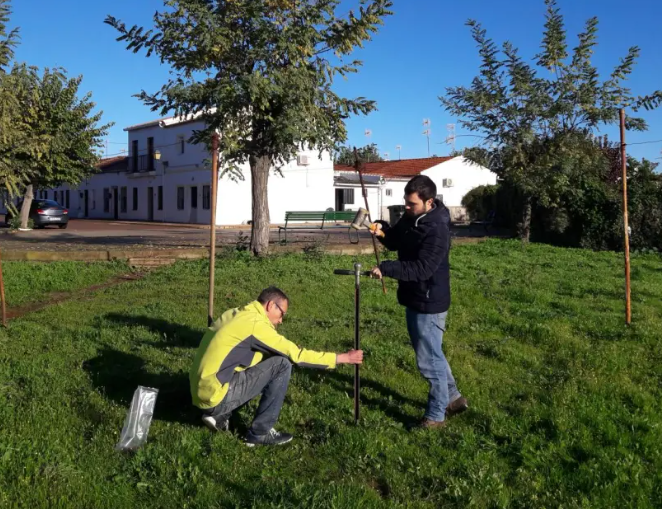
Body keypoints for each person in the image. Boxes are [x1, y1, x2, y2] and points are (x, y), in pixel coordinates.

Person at [190, 286, 363, 446]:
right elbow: (297, 355)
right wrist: (343, 358)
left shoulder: (235, 313)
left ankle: (220, 415)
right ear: (271, 305)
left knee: (267, 360)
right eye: (282, 314)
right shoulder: (256, 326)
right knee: (282, 364)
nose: (281, 321)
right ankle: (259, 433)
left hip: (200, 389)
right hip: (214, 396)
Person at [370, 175, 467, 429]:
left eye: (411, 204)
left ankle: (436, 414)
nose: (407, 208)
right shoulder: (412, 217)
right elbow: (396, 240)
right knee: (434, 353)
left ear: (429, 202)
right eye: (405, 203)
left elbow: (423, 268)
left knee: (428, 360)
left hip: (429, 300)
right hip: (415, 295)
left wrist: (387, 269)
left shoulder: (437, 229)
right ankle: (454, 398)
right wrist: (381, 230)